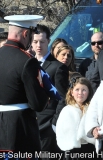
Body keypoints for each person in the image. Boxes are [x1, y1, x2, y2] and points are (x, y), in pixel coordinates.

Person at [0, 15, 49, 159]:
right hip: (20, 135)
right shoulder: (27, 60)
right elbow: (38, 103)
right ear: (26, 34)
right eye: (31, 36)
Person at [31, 24, 69, 159]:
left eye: (42, 41)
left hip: (47, 127)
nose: (38, 45)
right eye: (35, 41)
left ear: (48, 41)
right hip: (30, 124)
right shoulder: (27, 63)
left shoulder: (58, 67)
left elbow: (63, 98)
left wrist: (54, 123)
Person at [56, 75, 96, 160]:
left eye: (84, 90)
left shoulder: (92, 109)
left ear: (88, 92)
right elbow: (61, 131)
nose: (80, 93)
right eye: (77, 90)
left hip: (89, 149)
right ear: (71, 92)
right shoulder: (67, 110)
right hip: (72, 151)